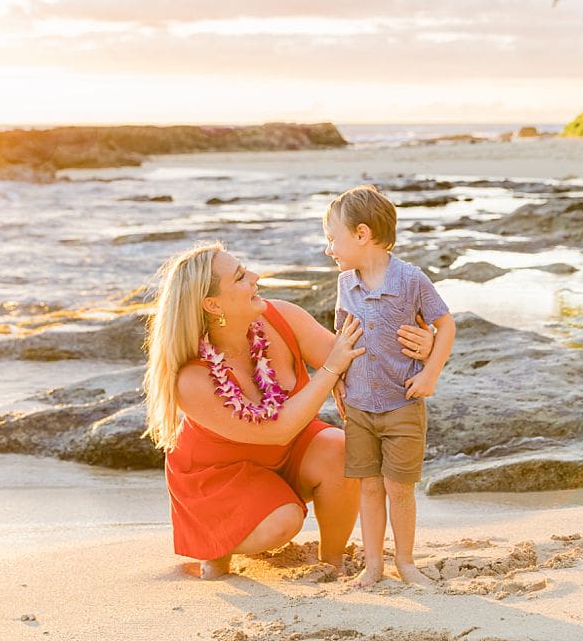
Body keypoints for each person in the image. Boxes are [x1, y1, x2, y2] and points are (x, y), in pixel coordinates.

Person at [143, 241, 435, 579]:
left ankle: (333, 561)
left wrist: (425, 346)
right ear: (212, 304)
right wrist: (329, 372)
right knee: (284, 521)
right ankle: (216, 545)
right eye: (240, 277)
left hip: (290, 449)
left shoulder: (280, 317)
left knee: (342, 449)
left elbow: (361, 357)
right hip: (220, 475)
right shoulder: (191, 378)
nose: (255, 276)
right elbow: (278, 428)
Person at [323, 185, 456, 588]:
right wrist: (337, 384)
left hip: (403, 403)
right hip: (359, 407)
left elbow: (445, 324)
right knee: (368, 487)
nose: (329, 248)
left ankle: (406, 561)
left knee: (400, 488)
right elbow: (341, 338)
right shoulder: (346, 284)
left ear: (361, 234)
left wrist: (430, 372)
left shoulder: (412, 280)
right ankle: (374, 565)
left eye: (333, 238)